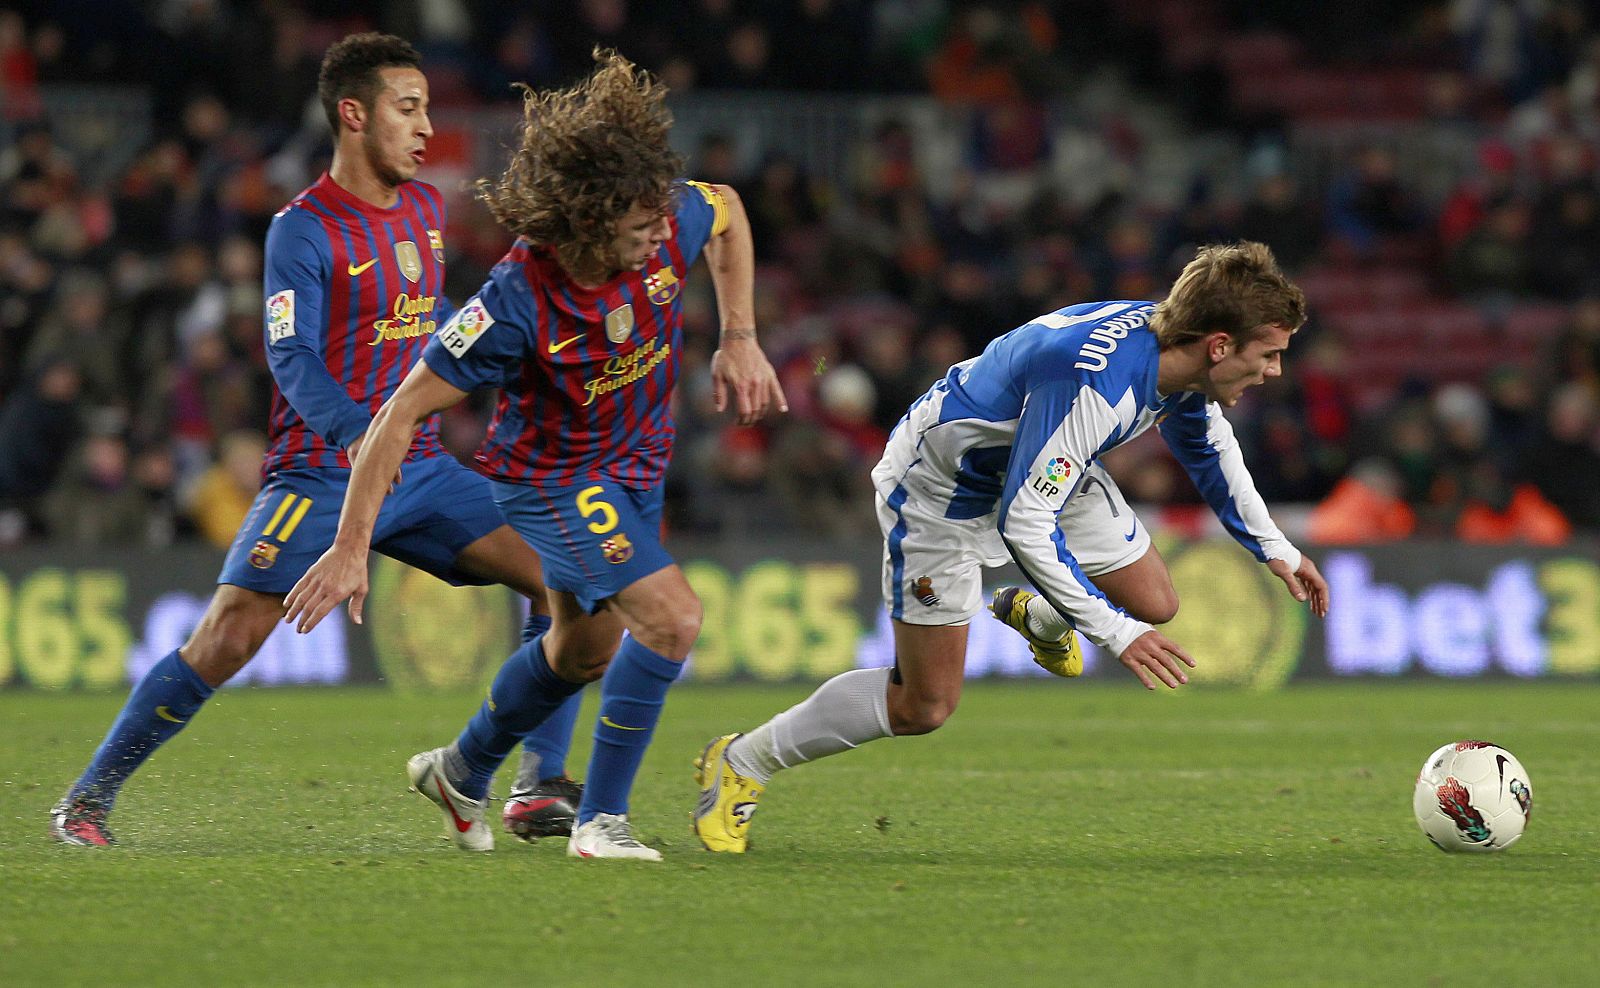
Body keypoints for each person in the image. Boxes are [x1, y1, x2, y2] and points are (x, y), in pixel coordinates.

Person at [48, 33, 580, 847]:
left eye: (427, 110)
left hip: (422, 468)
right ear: (353, 115)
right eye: (409, 109)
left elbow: (422, 329)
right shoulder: (302, 231)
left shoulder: (427, 209)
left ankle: (534, 785)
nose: (426, 128)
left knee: (567, 581)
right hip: (321, 473)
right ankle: (88, 799)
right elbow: (290, 358)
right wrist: (367, 435)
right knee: (227, 637)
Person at [283, 50, 787, 860]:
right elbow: (396, 416)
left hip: (637, 466)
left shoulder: (669, 221)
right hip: (550, 481)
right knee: (672, 620)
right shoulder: (512, 304)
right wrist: (349, 547)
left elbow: (724, 210)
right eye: (639, 227)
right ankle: (603, 823)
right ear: (588, 223)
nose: (662, 234)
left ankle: (461, 768)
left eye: (661, 217)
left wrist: (739, 337)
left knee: (581, 650)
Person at [693, 241, 1332, 853]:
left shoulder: (1173, 353)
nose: (1274, 372)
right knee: (925, 704)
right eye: (1269, 354)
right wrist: (1113, 633)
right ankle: (742, 761)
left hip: (1045, 462)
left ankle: (1039, 611)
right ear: (1220, 344)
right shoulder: (1097, 385)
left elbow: (1210, 447)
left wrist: (1273, 547)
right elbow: (1027, 521)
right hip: (941, 491)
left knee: (1155, 601)